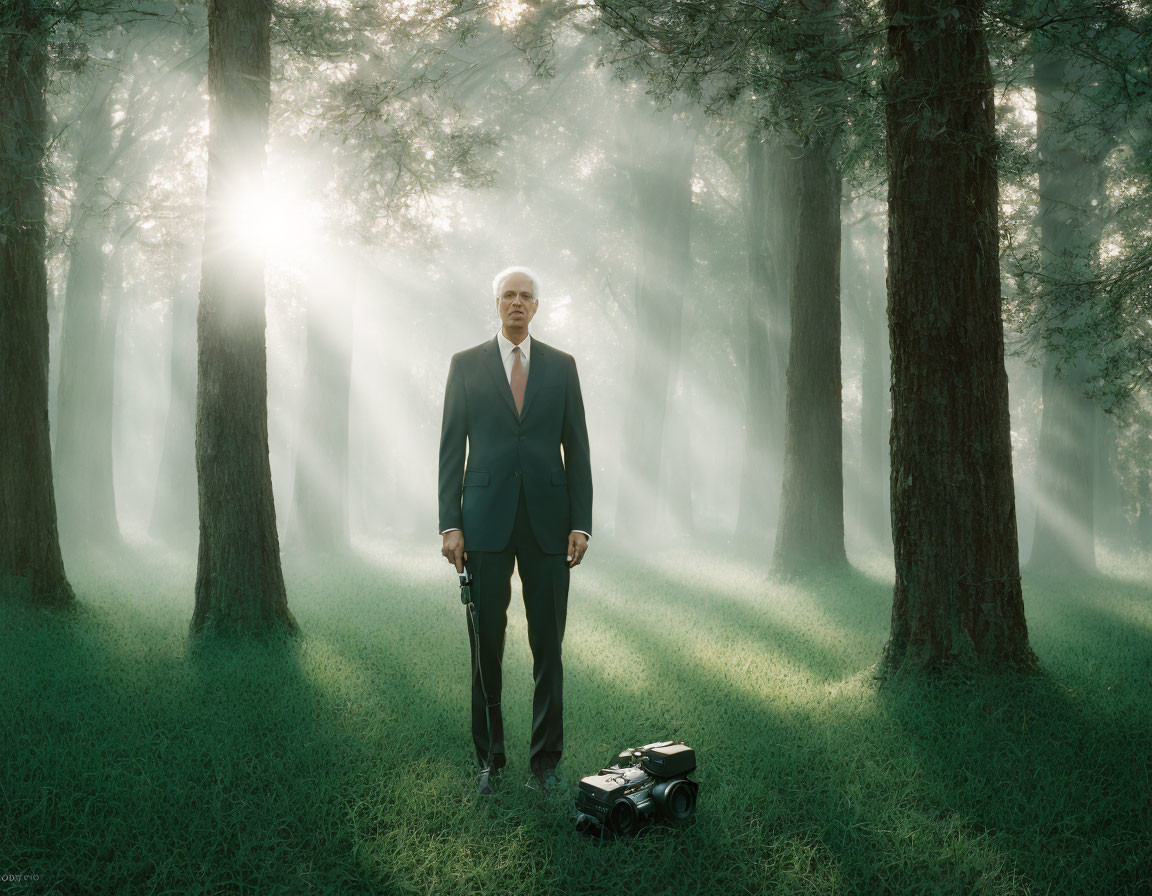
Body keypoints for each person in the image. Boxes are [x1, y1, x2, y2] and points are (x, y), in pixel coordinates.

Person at [438, 266, 592, 795]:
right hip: (483, 523)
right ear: (496, 302)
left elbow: (579, 448)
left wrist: (581, 522)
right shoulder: (465, 365)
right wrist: (450, 522)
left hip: (550, 525)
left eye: (527, 296)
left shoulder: (562, 366)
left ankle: (546, 763)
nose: (518, 303)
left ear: (537, 305)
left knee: (548, 645)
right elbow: (450, 448)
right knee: (487, 644)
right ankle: (490, 759)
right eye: (509, 295)